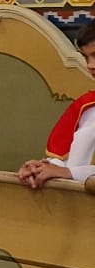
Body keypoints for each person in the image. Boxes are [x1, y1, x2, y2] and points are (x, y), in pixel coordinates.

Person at [18, 23, 95, 190]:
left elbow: (67, 170)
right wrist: (40, 168)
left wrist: (69, 173)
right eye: (86, 57)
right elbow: (65, 159)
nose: (90, 65)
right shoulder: (86, 106)